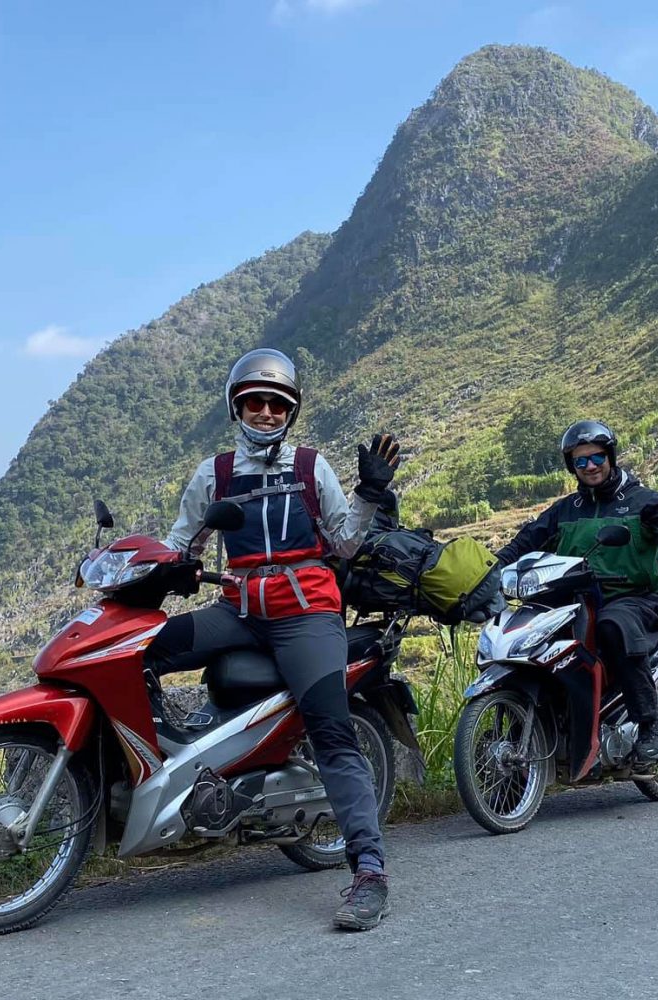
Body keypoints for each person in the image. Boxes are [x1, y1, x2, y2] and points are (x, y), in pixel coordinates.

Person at [150, 347, 399, 931]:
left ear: (290, 410)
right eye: (254, 402)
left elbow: (342, 543)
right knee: (144, 648)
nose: (264, 412)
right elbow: (179, 543)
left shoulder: (312, 467)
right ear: (237, 408)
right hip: (237, 607)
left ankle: (369, 869)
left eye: (275, 404)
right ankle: (170, 778)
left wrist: (368, 493)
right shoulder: (213, 473)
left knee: (332, 732)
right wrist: (164, 569)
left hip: (306, 611)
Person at [494, 420, 658, 765]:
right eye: (581, 461)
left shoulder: (643, 502)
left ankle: (650, 725)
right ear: (572, 467)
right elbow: (522, 543)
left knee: (613, 625)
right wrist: (487, 572)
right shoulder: (566, 510)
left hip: (636, 600)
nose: (590, 466)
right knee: (526, 634)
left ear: (610, 456)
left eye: (596, 458)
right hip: (575, 602)